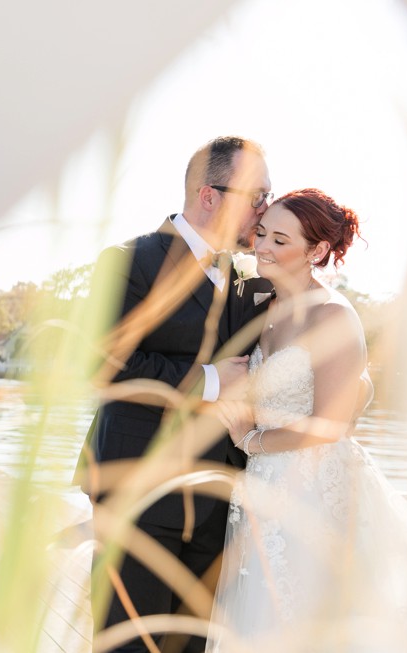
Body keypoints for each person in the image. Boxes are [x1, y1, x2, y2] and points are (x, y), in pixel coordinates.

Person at [75, 136, 275, 652]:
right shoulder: (130, 260)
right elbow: (104, 364)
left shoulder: (244, 280)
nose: (264, 210)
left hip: (215, 498)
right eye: (256, 197)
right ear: (209, 196)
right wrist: (210, 380)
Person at [206, 189, 407, 652]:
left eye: (281, 240)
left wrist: (250, 440)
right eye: (261, 234)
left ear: (317, 250)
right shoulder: (266, 306)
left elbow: (332, 425)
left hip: (316, 492)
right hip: (264, 492)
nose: (263, 247)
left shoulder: (333, 316)